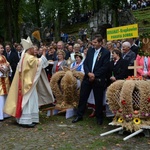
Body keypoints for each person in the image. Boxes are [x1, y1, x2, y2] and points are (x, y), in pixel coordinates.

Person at [4, 37, 54, 128]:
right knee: (28, 101)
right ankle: (25, 121)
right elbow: (39, 63)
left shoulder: (24, 55)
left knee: (31, 100)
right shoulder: (28, 57)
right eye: (32, 48)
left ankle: (31, 118)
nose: (33, 50)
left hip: (25, 82)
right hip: (27, 84)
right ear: (29, 49)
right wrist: (43, 53)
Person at [72, 36, 110, 125]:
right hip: (88, 77)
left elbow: (105, 66)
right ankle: (79, 115)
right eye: (93, 42)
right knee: (83, 97)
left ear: (100, 43)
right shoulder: (90, 51)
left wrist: (95, 75)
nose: (93, 44)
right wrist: (88, 73)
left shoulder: (105, 52)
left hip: (98, 78)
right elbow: (85, 63)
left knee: (98, 99)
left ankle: (99, 117)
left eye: (95, 42)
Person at [0, 44, 11, 120]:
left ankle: (5, 114)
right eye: (1, 48)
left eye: (2, 48)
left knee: (5, 96)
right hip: (0, 80)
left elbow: (7, 64)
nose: (2, 49)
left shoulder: (3, 56)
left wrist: (8, 66)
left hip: (5, 78)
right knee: (1, 97)